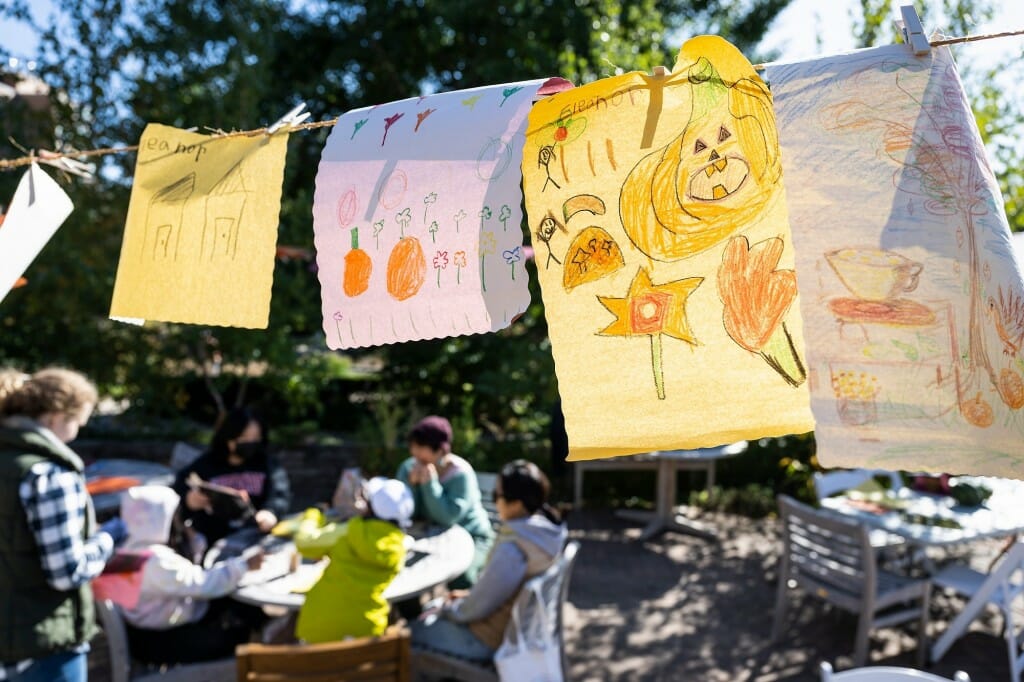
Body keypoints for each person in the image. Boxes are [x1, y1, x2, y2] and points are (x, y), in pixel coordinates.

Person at [0, 367, 127, 682]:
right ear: (56, 416)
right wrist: (109, 539)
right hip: (43, 644)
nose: (78, 431)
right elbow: (66, 572)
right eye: (78, 422)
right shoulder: (49, 475)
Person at [410, 459, 567, 661]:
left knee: (410, 631)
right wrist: (467, 596)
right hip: (518, 630)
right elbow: (494, 592)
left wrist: (447, 609)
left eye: (497, 495)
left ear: (517, 504)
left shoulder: (513, 549)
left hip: (487, 639)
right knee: (432, 609)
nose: (494, 501)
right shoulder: (546, 532)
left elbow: (473, 611)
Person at [110, 485, 265, 665]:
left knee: (235, 605)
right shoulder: (155, 561)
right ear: (160, 518)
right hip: (162, 640)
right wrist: (244, 565)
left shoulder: (126, 549)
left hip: (145, 629)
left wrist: (192, 539)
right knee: (241, 634)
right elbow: (203, 584)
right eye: (175, 515)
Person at [293, 477, 413, 643]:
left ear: (370, 508)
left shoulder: (347, 532)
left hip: (319, 627)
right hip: (367, 631)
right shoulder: (401, 545)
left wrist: (313, 515)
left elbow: (304, 543)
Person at [396, 415, 493, 587]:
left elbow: (447, 517)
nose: (414, 452)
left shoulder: (461, 474)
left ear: (440, 451)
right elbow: (403, 512)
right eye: (413, 446)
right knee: (402, 572)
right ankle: (418, 614)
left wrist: (428, 484)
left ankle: (456, 612)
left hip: (473, 538)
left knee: (462, 578)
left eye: (420, 447)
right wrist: (412, 486)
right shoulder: (408, 467)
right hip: (429, 537)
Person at [173, 406, 291, 546]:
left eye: (255, 438)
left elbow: (280, 493)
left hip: (254, 538)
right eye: (244, 438)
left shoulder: (267, 464)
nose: (250, 443)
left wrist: (270, 512)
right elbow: (179, 488)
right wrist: (189, 500)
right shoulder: (207, 463)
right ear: (229, 438)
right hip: (211, 539)